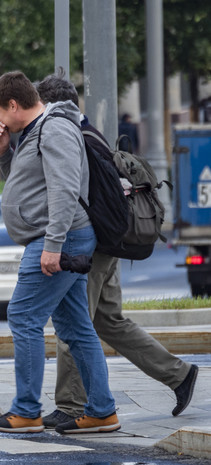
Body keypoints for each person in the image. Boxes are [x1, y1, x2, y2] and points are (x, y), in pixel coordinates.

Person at [35, 71, 199, 428]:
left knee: (72, 324)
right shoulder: (90, 133)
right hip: (108, 244)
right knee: (109, 321)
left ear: (48, 105)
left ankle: (70, 405)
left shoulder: (72, 138)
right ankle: (180, 375)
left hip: (90, 248)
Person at [0, 71, 119, 435]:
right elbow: (23, 184)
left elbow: (63, 188)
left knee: (23, 316)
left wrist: (53, 245)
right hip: (57, 238)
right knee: (76, 327)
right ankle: (102, 411)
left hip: (58, 239)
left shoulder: (54, 127)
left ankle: (26, 411)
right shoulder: (34, 130)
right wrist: (3, 152)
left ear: (14, 105)